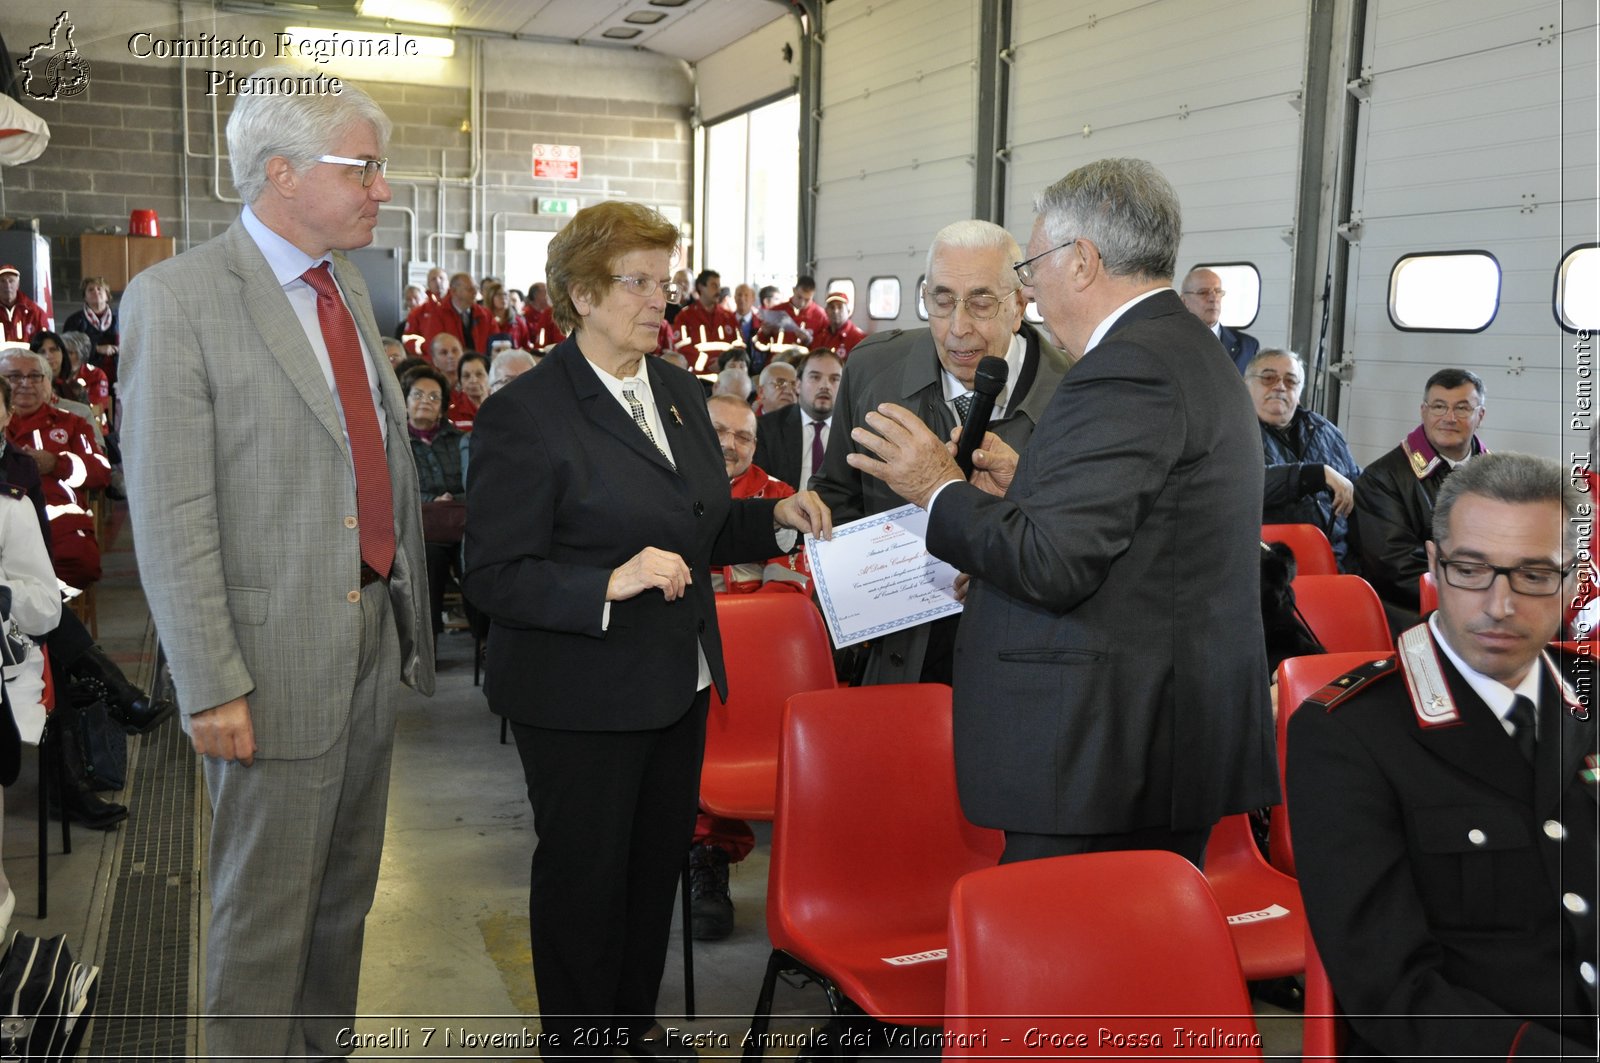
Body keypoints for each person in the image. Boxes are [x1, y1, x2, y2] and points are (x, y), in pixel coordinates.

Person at [463, 199, 830, 1061]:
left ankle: (630, 1025)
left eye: (665, 281)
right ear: (583, 294)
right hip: (580, 688)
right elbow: (493, 575)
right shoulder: (529, 412)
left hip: (677, 680)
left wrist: (775, 515)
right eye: (640, 282)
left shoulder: (671, 387)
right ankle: (583, 1045)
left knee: (649, 870)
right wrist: (608, 581)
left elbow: (696, 525)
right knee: (585, 881)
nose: (662, 300)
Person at [120, 71, 434, 1058]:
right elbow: (172, 512)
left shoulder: (341, 286)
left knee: (342, 899)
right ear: (281, 170)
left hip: (365, 641)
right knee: (264, 915)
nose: (381, 188)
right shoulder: (178, 301)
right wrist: (211, 683)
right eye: (364, 168)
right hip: (264, 666)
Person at [846, 158, 1277, 864]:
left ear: (1082, 261)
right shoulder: (1184, 349)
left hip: (1107, 754)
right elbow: (1137, 532)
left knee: (1072, 968)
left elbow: (1053, 564)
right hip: (1150, 743)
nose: (1031, 287)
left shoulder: (1125, 368)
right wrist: (1025, 488)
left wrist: (935, 486)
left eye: (1035, 263)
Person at [1289, 452, 1596, 1059]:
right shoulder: (1350, 733)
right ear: (1434, 565)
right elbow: (1389, 991)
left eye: (1534, 575)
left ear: (1571, 581)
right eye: (1471, 570)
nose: (1500, 605)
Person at [813, 218, 1071, 686]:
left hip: (1021, 658)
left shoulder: (1075, 392)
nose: (958, 328)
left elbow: (1080, 544)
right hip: (899, 651)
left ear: (1019, 307)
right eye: (943, 300)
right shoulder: (873, 371)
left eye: (981, 302)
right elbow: (836, 494)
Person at [689, 394, 810, 941]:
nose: (730, 445)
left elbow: (790, 588)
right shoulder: (671, 485)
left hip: (765, 668)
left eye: (743, 437)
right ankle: (704, 857)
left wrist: (731, 611)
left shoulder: (779, 496)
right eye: (718, 430)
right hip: (686, 659)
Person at [1350, 367, 1489, 630]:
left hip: (1484, 599)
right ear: (1423, 411)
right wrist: (1473, 591)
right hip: (1408, 611)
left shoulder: (1499, 475)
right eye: (1439, 407)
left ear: (1480, 415)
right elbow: (1394, 567)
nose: (1449, 418)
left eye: (1462, 408)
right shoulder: (1381, 478)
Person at [0, 349, 110, 590]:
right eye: (15, 377)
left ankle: (32, 614)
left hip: (60, 530)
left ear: (47, 382)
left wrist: (56, 463)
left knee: (81, 566)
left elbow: (101, 472)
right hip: (4, 528)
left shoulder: (71, 423)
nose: (26, 384)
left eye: (35, 376)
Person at [1248, 349, 1362, 567]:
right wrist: (1315, 474)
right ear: (1246, 386)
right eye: (1268, 378)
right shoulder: (1232, 431)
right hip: (1266, 566)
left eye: (1290, 381)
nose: (1280, 386)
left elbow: (1354, 483)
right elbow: (1245, 484)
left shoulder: (1324, 430)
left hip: (1336, 560)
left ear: (1299, 393)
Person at [402, 364, 471, 636]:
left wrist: (452, 498)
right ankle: (426, 645)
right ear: (404, 400)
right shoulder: (396, 442)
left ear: (443, 407)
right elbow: (398, 489)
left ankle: (484, 640)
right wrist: (434, 499)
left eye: (433, 397)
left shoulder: (460, 440)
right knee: (429, 560)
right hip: (422, 529)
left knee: (478, 553)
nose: (425, 402)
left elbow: (475, 483)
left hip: (461, 524)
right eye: (417, 395)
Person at [753, 349, 842, 492]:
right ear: (798, 385)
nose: (825, 385)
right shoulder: (766, 429)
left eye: (834, 379)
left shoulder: (854, 432)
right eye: (815, 377)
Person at [1180, 265, 1257, 372]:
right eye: (1203, 292)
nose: (1213, 298)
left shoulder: (1248, 347)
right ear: (1184, 301)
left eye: (1218, 291)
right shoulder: (1168, 343)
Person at [673, 269, 741, 369]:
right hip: (697, 379)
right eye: (714, 286)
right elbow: (681, 346)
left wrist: (724, 363)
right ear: (701, 287)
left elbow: (739, 344)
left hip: (726, 376)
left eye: (719, 286)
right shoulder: (685, 316)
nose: (718, 291)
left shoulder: (729, 316)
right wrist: (707, 364)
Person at [419, 272, 494, 354]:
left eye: (476, 288)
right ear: (454, 291)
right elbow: (434, 348)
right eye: (470, 289)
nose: (475, 292)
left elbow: (495, 342)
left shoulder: (485, 315)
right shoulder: (438, 315)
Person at [62, 276, 119, 380]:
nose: (95, 292)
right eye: (90, 289)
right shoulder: (74, 321)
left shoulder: (121, 318)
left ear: (107, 295)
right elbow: (67, 349)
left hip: (118, 375)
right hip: (86, 378)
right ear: (85, 297)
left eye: (99, 289)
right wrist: (96, 348)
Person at [759, 276, 827, 345]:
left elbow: (824, 346)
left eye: (807, 300)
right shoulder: (776, 310)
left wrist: (808, 341)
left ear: (813, 296)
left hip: (805, 355)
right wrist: (765, 333)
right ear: (794, 290)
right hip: (778, 354)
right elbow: (761, 343)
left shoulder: (821, 316)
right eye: (799, 297)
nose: (802, 303)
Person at [0, 265, 48, 344]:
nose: (7, 285)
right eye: (2, 281)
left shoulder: (35, 312)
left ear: (17, 284)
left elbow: (45, 344)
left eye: (11, 281)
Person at [811, 290, 867, 357]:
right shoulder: (820, 336)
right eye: (832, 307)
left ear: (848, 311)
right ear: (826, 311)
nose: (835, 311)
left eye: (840, 307)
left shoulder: (858, 338)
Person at [454, 350, 491, 429]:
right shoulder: (452, 413)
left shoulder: (501, 407)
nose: (473, 380)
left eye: (479, 374)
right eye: (466, 376)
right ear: (460, 381)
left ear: (490, 377)